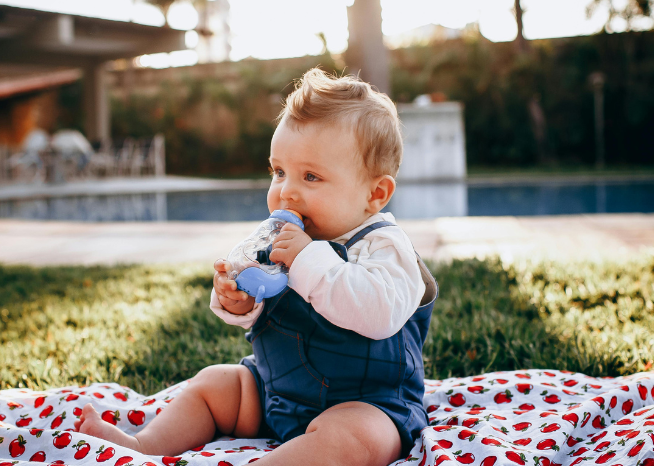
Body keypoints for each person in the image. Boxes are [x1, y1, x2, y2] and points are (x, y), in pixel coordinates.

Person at [75, 68, 438, 466]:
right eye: (279, 172)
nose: (286, 190)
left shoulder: (386, 247)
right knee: (215, 383)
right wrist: (239, 302)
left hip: (366, 403)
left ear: (375, 193)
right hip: (275, 394)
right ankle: (145, 446)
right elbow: (265, 311)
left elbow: (377, 315)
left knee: (356, 439)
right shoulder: (282, 240)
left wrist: (306, 259)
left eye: (311, 176)